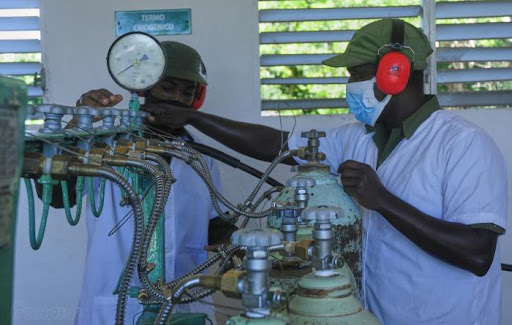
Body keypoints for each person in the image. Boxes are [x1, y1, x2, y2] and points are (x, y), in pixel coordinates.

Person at [142, 19, 508, 325]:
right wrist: (194, 118)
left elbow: (477, 253)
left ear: (394, 73)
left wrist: (382, 201)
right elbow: (277, 145)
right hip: (372, 317)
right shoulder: (356, 139)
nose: (349, 86)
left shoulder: (462, 144)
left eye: (355, 74)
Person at [73, 41, 235, 325]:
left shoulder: (200, 155)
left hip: (186, 302)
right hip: (116, 306)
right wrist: (78, 124)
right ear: (144, 89)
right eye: (168, 87)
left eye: (188, 92)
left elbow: (214, 222)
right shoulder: (104, 148)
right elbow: (59, 197)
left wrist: (236, 242)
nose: (179, 100)